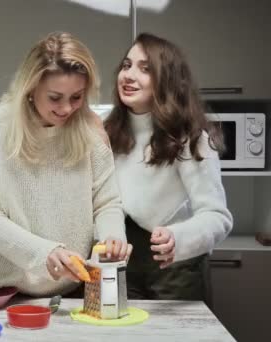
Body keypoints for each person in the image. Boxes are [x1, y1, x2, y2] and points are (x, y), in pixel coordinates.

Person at [0, 31, 131, 297]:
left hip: (72, 285)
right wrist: (45, 253)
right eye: (55, 98)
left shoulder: (91, 130)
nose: (67, 109)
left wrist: (112, 237)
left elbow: (106, 203)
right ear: (31, 87)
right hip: (4, 286)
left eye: (77, 97)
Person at [103, 33, 233, 300]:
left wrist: (178, 238)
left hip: (176, 267)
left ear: (167, 80)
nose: (129, 75)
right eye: (127, 66)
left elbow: (218, 217)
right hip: (123, 264)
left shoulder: (191, 139)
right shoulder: (108, 131)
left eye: (145, 69)